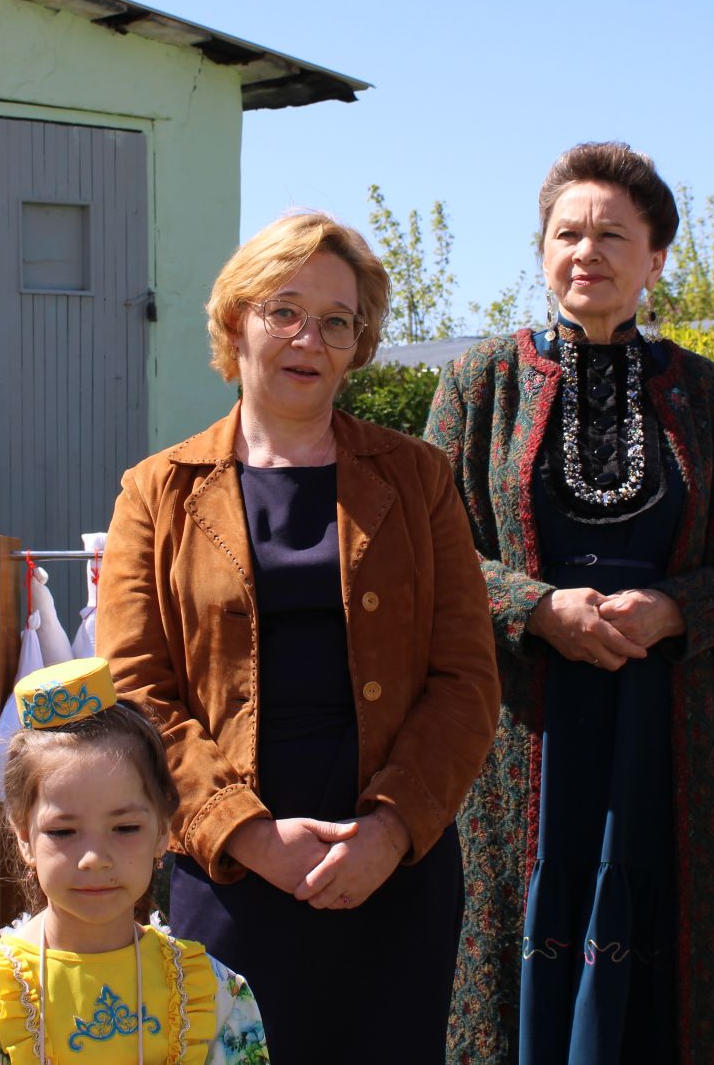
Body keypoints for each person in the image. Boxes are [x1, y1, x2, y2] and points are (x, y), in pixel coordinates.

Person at [427, 142, 714, 1064]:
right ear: (542, 248)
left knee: (673, 968)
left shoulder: (709, 397)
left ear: (656, 258)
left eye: (611, 235)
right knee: (508, 957)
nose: (585, 252)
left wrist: (674, 610)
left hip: (670, 722)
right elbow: (424, 551)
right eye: (567, 233)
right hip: (525, 726)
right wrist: (536, 608)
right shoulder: (482, 383)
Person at [95, 213, 500, 1061]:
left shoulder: (418, 479)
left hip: (394, 866)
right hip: (231, 868)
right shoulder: (155, 491)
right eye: (283, 310)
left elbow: (466, 679)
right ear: (235, 321)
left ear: (359, 344)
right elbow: (137, 693)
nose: (307, 338)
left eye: (336, 320)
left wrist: (390, 829)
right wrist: (243, 832)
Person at [0, 657, 270, 1062]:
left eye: (125, 828)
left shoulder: (213, 995)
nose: (94, 859)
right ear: (24, 835)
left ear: (164, 830)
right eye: (63, 832)